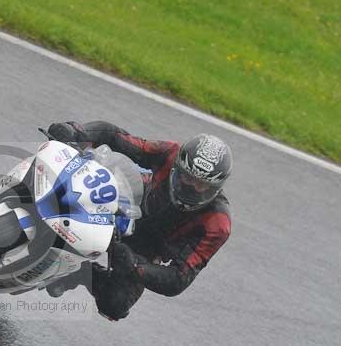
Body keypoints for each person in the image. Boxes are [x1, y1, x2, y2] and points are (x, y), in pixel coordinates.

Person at [45, 121, 233, 321]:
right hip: (127, 200)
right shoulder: (169, 152)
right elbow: (116, 137)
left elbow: (179, 278)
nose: (191, 188)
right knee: (75, 182)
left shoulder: (218, 224)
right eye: (187, 178)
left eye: (201, 185)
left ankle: (80, 273)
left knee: (115, 305)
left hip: (146, 248)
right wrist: (77, 133)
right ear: (177, 167)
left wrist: (135, 265)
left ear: (216, 187)